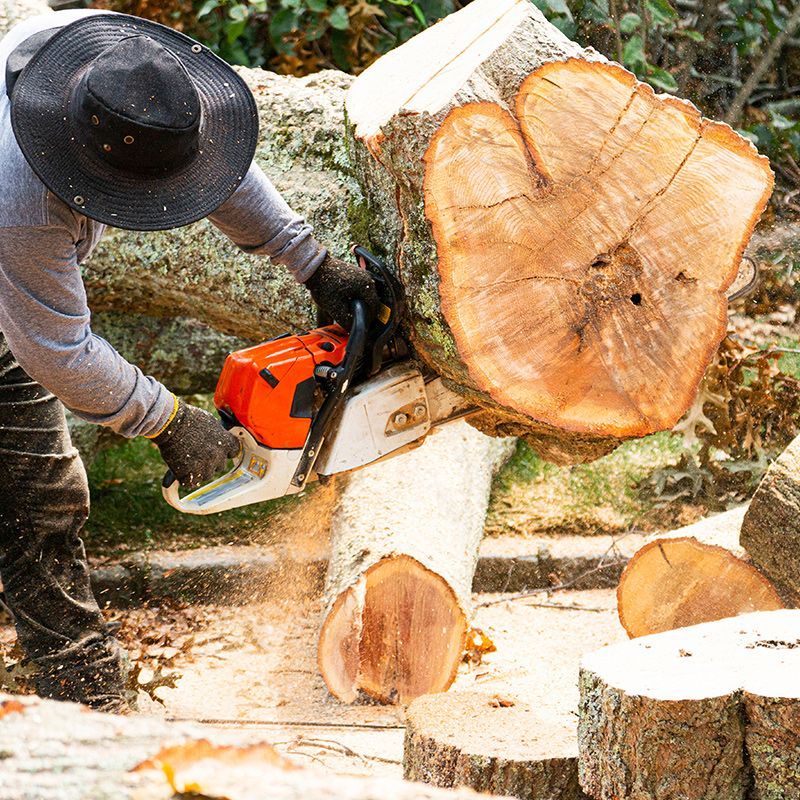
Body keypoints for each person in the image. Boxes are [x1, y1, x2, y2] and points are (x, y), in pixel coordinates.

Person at [0, 8, 378, 712]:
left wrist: (313, 264)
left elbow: (206, 169)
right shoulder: (19, 199)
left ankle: (87, 701)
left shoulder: (119, 77)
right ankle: (83, 705)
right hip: (10, 294)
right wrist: (168, 420)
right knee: (31, 491)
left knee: (42, 495)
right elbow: (58, 351)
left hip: (13, 292)